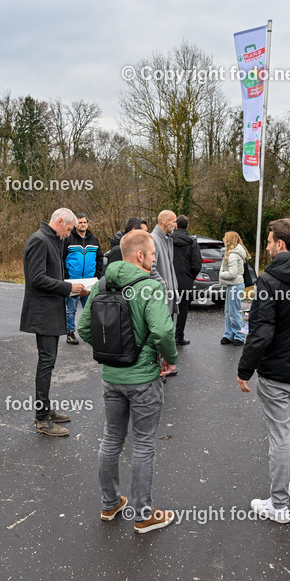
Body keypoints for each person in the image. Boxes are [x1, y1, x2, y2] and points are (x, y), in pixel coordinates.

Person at [78, 230, 179, 533]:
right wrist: (167, 357)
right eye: (152, 254)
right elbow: (162, 332)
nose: (154, 258)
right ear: (139, 256)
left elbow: (84, 329)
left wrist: (111, 352)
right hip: (144, 378)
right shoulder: (149, 287)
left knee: (111, 439)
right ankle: (144, 514)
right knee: (144, 444)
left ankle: (110, 504)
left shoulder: (101, 285)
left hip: (111, 377)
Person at [237, 218, 290, 524]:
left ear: (280, 245)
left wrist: (244, 369)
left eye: (269, 241)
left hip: (277, 373)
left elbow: (260, 332)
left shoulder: (270, 280)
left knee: (280, 437)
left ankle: (278, 505)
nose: (266, 246)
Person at [21, 208, 88, 437]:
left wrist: (69, 286)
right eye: (68, 229)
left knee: (48, 362)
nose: (68, 235)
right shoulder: (39, 241)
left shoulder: (52, 239)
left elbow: (52, 275)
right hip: (43, 313)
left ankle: (46, 410)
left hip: (50, 310)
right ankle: (42, 418)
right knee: (46, 362)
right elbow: (37, 278)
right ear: (59, 221)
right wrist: (69, 288)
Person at [63, 213, 103, 345]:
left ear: (88, 223)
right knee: (71, 309)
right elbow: (61, 258)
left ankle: (90, 332)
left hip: (90, 281)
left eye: (85, 222)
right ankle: (70, 333)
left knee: (90, 308)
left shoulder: (94, 240)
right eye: (80, 222)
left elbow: (100, 258)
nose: (83, 224)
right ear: (75, 224)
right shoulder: (68, 239)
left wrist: (97, 275)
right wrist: (66, 276)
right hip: (73, 281)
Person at [170, 215, 202, 346]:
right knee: (183, 309)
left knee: (169, 309)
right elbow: (196, 264)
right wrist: (190, 277)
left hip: (170, 279)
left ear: (176, 225)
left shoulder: (168, 240)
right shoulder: (192, 242)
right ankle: (179, 336)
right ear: (187, 226)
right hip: (185, 281)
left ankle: (167, 336)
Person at [219, 231, 248, 346]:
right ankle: (229, 334)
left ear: (229, 240)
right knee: (228, 311)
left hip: (235, 285)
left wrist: (221, 274)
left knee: (234, 312)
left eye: (225, 238)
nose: (223, 239)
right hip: (233, 285)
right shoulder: (231, 253)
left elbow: (233, 273)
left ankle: (239, 336)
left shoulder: (233, 255)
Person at [150, 210, 179, 317]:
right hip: (162, 297)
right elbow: (151, 268)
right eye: (174, 222)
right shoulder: (153, 239)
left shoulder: (166, 239)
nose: (176, 225)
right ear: (166, 222)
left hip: (167, 297)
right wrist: (164, 285)